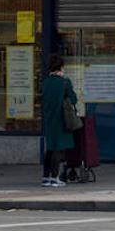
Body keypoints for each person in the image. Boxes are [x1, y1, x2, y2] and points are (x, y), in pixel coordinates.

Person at [40, 55, 78, 187]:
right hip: (62, 118)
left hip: (49, 118)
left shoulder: (45, 83)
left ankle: (46, 177)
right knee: (58, 148)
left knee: (50, 148)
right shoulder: (64, 82)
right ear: (61, 67)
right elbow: (73, 99)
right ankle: (55, 177)